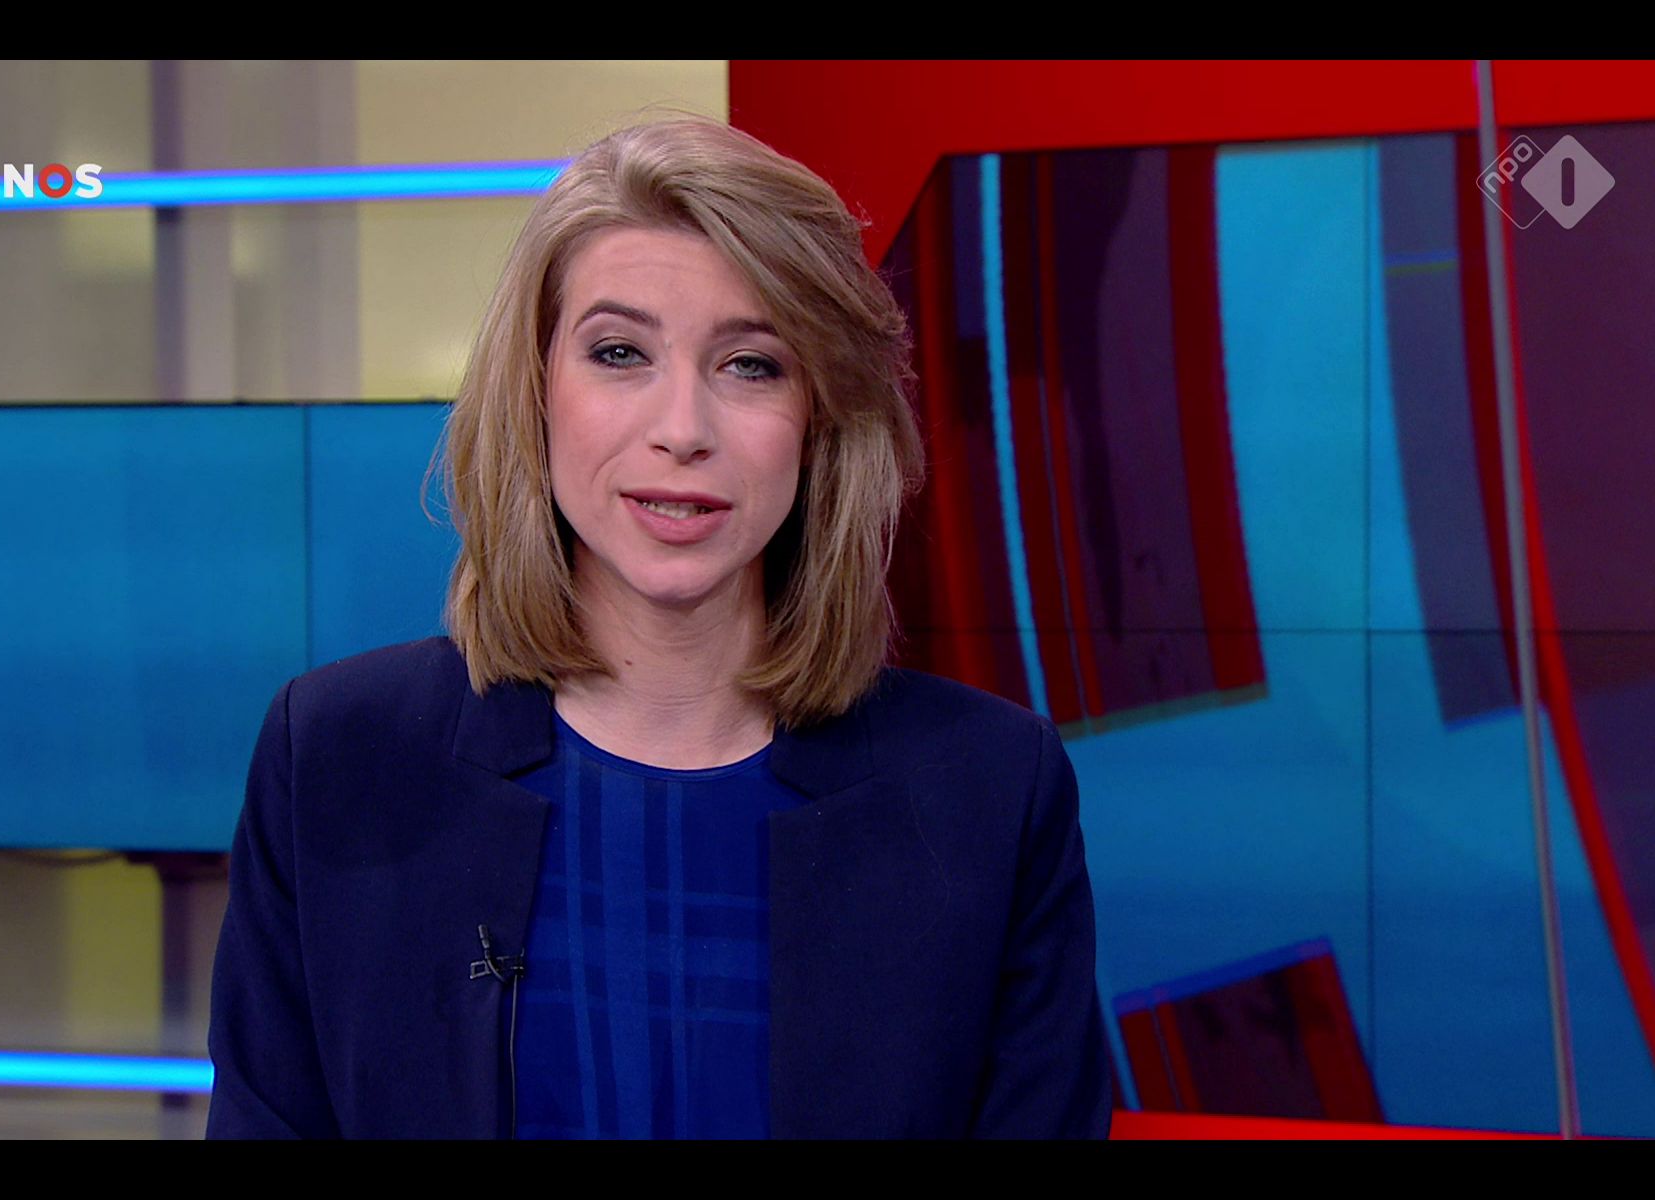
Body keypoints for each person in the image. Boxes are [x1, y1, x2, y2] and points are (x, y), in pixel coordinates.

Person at [205, 112, 1112, 1139]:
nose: (682, 429)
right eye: (619, 352)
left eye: (751, 364)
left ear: (820, 420)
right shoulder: (336, 759)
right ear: (536, 393)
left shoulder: (990, 792)